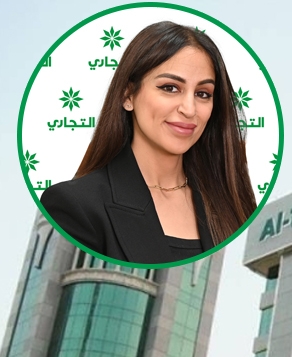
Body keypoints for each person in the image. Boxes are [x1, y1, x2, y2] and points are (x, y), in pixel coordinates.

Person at [39, 21, 255, 264]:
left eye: (202, 94)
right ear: (128, 95)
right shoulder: (75, 204)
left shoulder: (233, 204)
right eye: (170, 88)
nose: (189, 109)